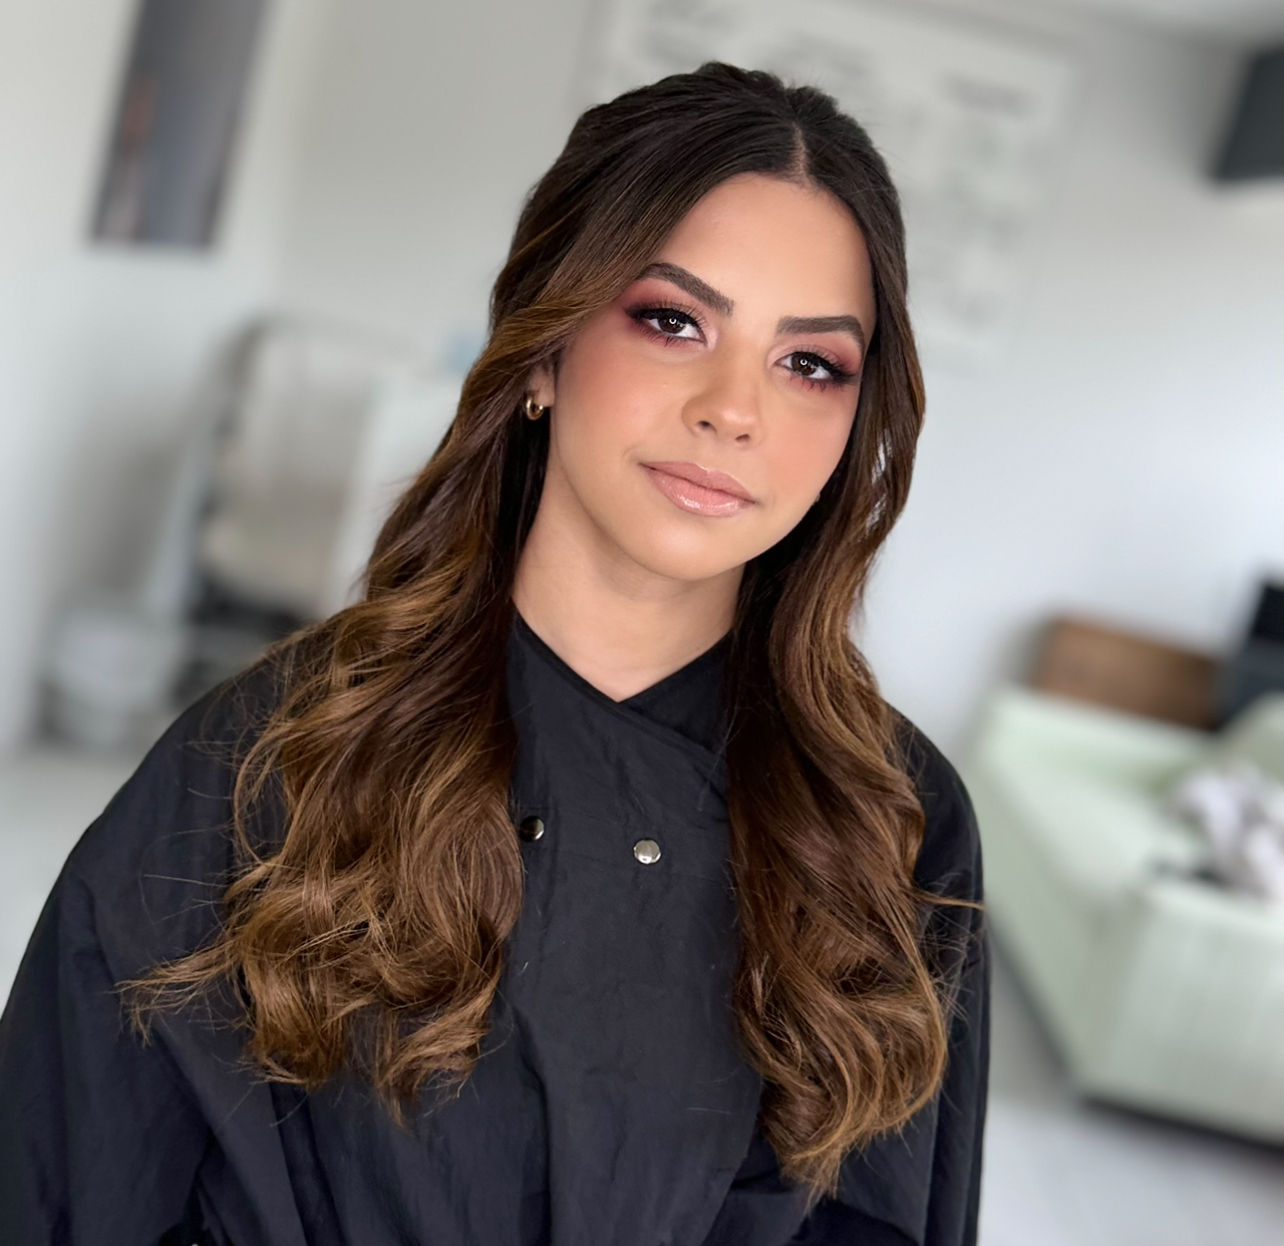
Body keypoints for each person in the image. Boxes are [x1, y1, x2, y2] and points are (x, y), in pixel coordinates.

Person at [0, 60, 990, 1246]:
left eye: (810, 363)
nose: (735, 409)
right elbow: (66, 1181)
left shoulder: (892, 818)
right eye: (672, 321)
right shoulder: (274, 751)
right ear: (542, 351)